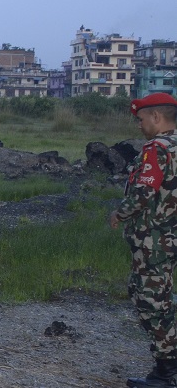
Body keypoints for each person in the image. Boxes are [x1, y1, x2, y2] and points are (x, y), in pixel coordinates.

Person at [109, 93, 177, 388]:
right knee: (163, 299)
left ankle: (166, 372)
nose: (139, 125)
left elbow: (144, 191)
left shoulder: (157, 149)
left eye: (141, 119)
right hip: (170, 237)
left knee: (149, 300)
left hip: (154, 239)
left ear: (157, 118)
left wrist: (119, 214)